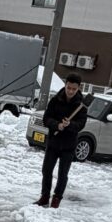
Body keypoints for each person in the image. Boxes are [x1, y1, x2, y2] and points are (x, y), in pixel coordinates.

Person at [36, 74, 87, 209]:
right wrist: (57, 125)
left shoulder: (81, 105)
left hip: (68, 146)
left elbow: (81, 124)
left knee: (62, 174)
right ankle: (45, 197)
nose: (70, 91)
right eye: (68, 88)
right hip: (53, 143)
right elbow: (46, 118)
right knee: (46, 171)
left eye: (74, 89)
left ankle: (56, 200)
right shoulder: (55, 100)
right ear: (65, 85)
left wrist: (70, 124)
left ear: (78, 88)